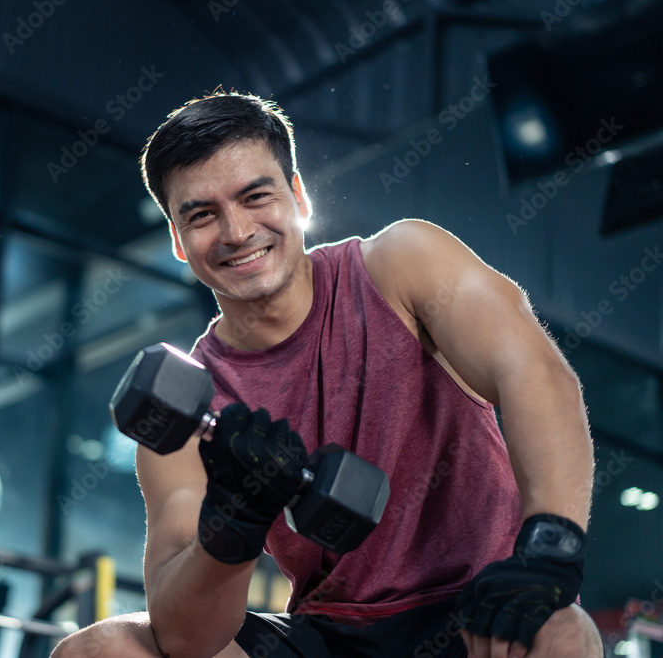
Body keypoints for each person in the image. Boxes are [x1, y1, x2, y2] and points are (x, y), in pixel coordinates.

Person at [51, 92, 604, 658]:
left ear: (298, 197)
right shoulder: (193, 412)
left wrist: (547, 554)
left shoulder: (400, 267)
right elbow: (186, 639)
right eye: (201, 214)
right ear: (176, 239)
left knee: (560, 633)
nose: (237, 231)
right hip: (330, 636)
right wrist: (233, 526)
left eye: (255, 196)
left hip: (472, 610)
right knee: (100, 652)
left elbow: (534, 374)